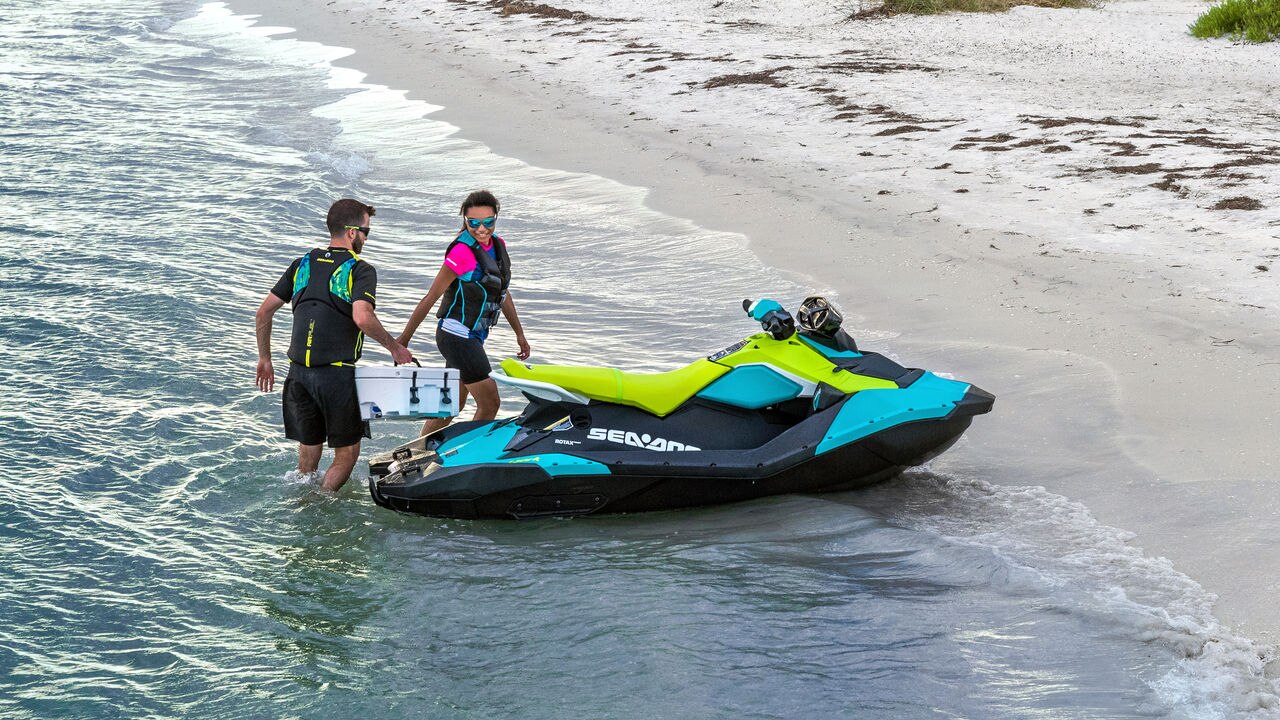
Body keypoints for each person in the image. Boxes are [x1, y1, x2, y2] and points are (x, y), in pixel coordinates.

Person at [255, 198, 414, 491]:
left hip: (298, 374)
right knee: (347, 453)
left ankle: (303, 501)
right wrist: (395, 347)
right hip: (335, 376)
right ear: (352, 232)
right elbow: (362, 317)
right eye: (366, 231)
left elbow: (264, 312)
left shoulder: (302, 264)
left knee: (309, 449)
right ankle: (323, 504)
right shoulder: (359, 269)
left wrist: (265, 358)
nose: (367, 238)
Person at [398, 190, 530, 436]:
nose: (481, 229)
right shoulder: (461, 252)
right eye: (474, 223)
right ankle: (465, 459)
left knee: (451, 405)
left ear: (496, 219)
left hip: (473, 336)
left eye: (488, 221)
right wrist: (403, 340)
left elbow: (503, 292)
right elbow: (431, 297)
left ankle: (417, 454)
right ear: (465, 221)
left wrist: (519, 334)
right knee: (490, 403)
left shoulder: (498, 246)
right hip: (456, 335)